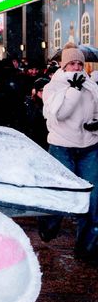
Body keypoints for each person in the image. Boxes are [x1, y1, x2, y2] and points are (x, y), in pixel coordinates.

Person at [39, 43, 98, 264]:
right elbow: (60, 114)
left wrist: (96, 123)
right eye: (71, 63)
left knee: (92, 200)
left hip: (89, 146)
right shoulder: (53, 87)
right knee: (60, 195)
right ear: (63, 66)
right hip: (62, 146)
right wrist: (73, 91)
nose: (76, 67)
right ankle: (48, 226)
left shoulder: (91, 85)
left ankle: (87, 247)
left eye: (79, 63)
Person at [24, 77, 50, 149]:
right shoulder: (30, 103)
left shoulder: (52, 102)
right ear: (36, 91)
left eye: (47, 90)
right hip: (34, 140)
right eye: (41, 90)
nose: (44, 93)